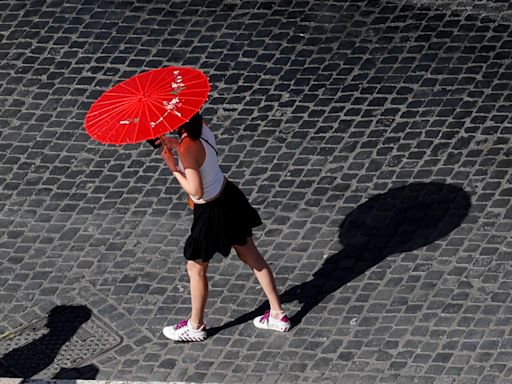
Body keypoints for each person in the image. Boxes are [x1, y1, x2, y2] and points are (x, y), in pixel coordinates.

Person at [158, 113, 290, 342]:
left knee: (195, 268)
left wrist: (173, 167)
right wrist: (177, 144)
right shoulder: (203, 129)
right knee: (251, 254)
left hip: (209, 212)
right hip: (228, 196)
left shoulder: (188, 148)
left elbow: (196, 190)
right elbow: (201, 156)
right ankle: (277, 313)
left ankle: (196, 326)